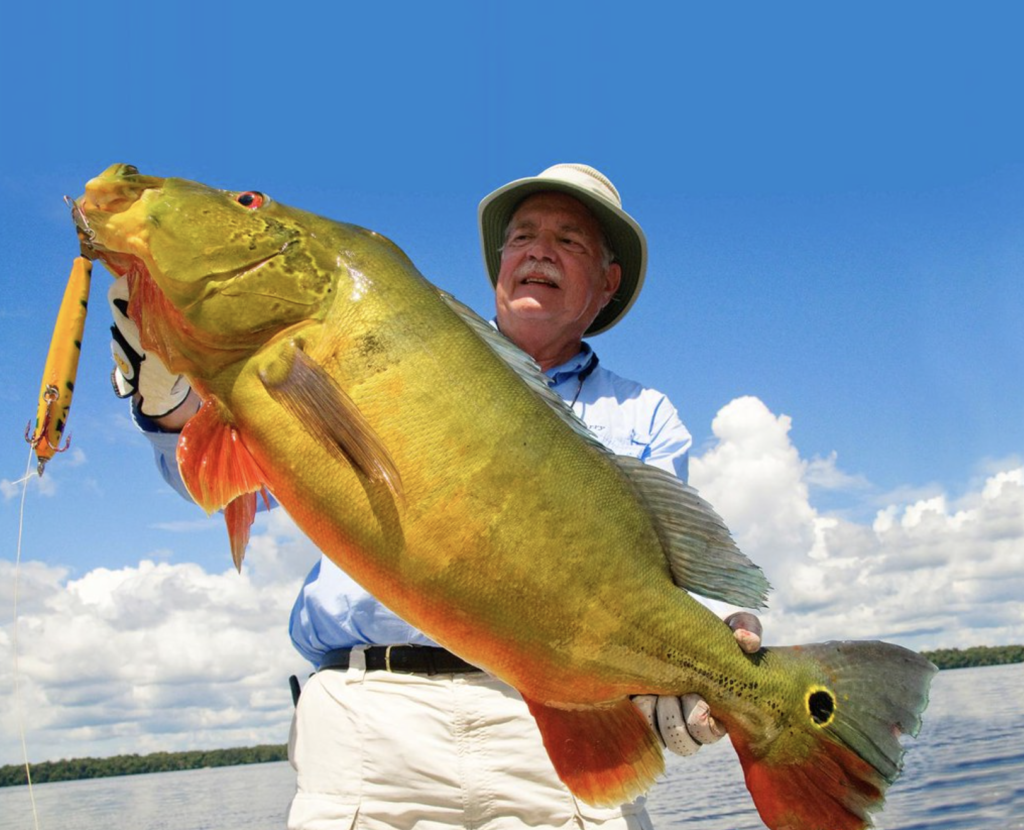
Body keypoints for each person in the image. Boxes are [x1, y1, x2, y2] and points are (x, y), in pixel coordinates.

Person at [111, 163, 762, 830]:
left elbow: (679, 580)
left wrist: (720, 660)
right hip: (371, 724)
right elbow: (225, 478)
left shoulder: (645, 413)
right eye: (523, 236)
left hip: (550, 731)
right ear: (500, 263)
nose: (539, 250)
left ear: (607, 282)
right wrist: (165, 403)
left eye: (569, 240)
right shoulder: (377, 340)